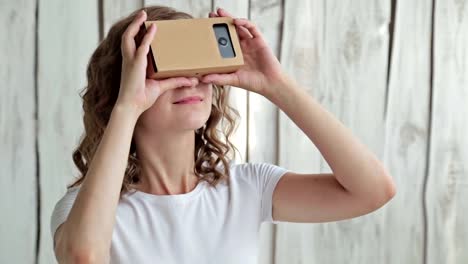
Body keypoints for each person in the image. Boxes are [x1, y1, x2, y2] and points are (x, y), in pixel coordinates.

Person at [50, 5, 396, 264]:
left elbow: (372, 191)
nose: (190, 80)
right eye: (167, 69)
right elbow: (84, 257)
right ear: (120, 89)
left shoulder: (245, 188)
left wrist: (277, 85)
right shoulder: (86, 209)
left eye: (199, 67)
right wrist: (128, 108)